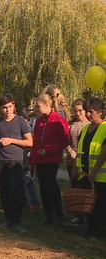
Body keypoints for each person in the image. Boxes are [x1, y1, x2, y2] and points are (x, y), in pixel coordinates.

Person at [0, 94, 33, 233]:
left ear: (14, 105)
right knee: (3, 191)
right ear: (1, 108)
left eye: (9, 106)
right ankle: (8, 218)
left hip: (15, 161)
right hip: (0, 160)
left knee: (16, 191)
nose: (7, 110)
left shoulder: (20, 121)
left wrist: (11, 140)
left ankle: (16, 221)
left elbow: (29, 142)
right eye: (4, 107)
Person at [29, 94, 69, 227]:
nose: (37, 109)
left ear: (47, 105)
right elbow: (35, 142)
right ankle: (48, 214)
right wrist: (32, 160)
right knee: (43, 187)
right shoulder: (39, 121)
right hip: (40, 159)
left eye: (39, 106)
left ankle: (59, 214)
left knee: (52, 186)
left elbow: (64, 140)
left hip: (52, 158)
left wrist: (49, 150)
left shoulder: (58, 120)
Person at [72, 98, 106, 240]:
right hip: (84, 174)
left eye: (91, 112)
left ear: (100, 112)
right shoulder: (86, 128)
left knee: (100, 206)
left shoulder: (104, 128)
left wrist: (94, 171)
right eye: (88, 112)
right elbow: (79, 150)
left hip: (100, 177)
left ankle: (99, 232)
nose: (88, 115)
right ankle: (90, 228)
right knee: (87, 205)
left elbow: (104, 152)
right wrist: (75, 168)